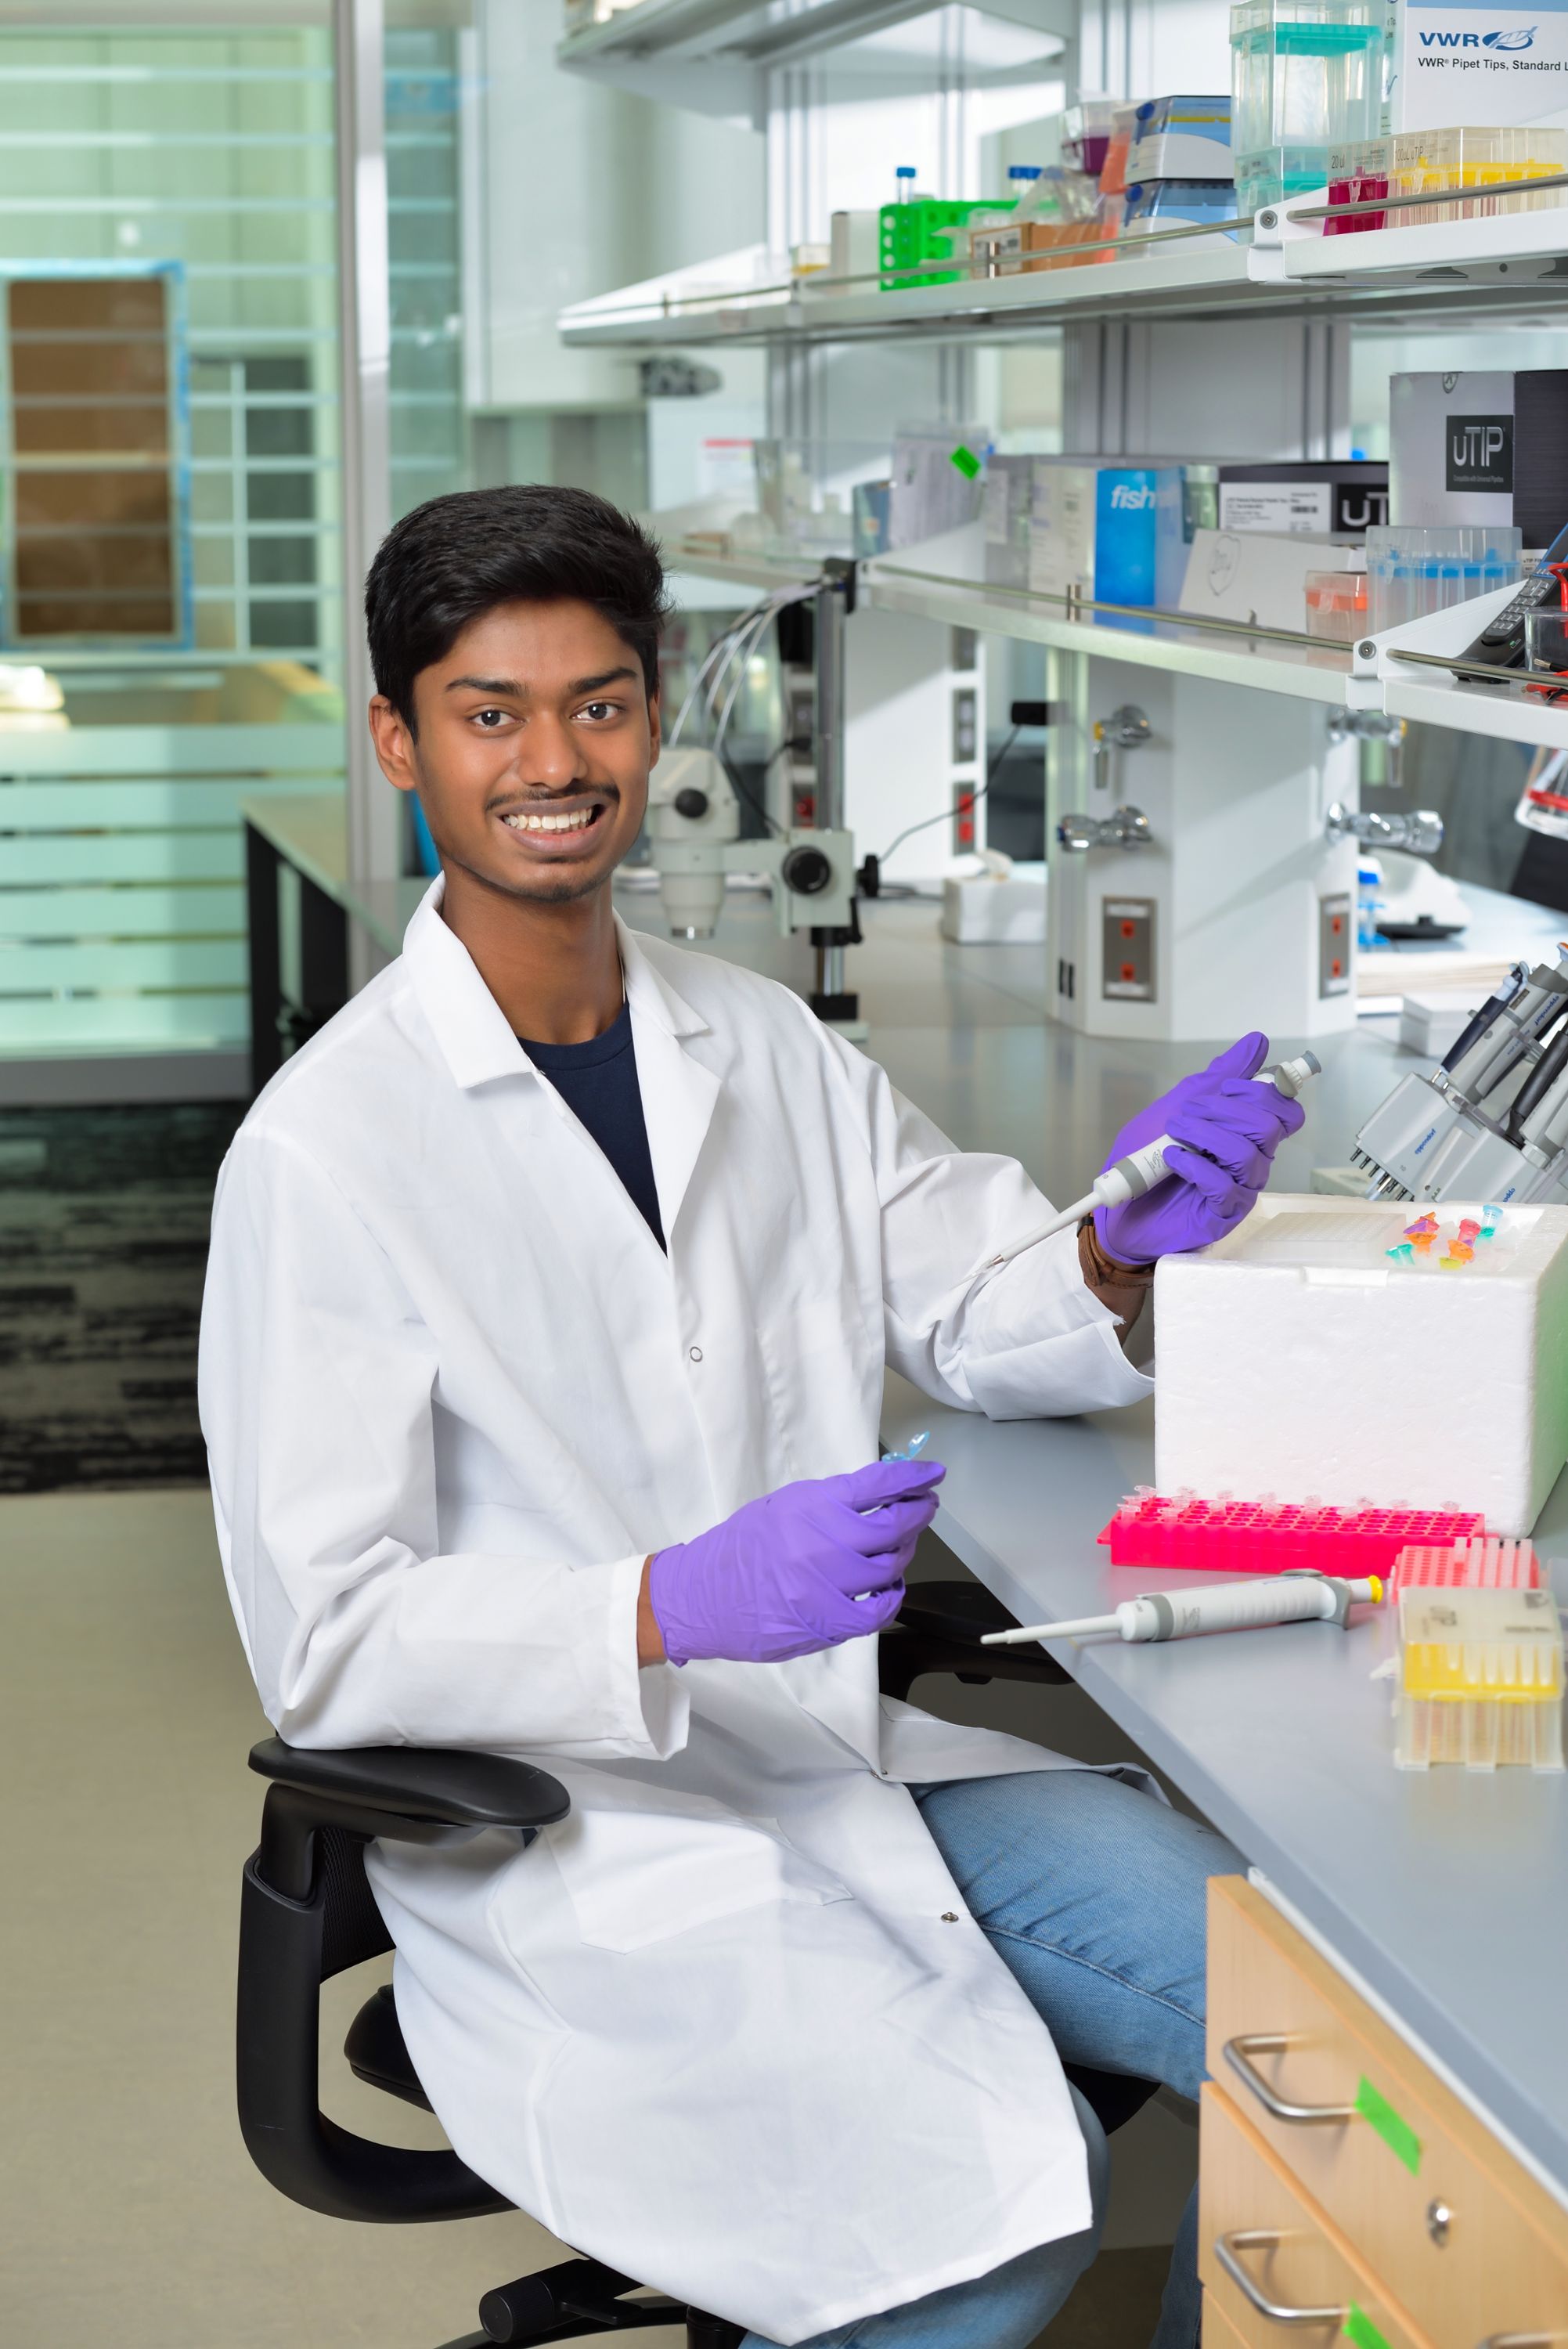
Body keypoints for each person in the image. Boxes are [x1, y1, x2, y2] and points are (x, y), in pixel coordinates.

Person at [199, 485, 1303, 2349]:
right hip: (584, 1841)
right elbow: (329, 1638)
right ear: (401, 739)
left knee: (1318, 2031)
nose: (556, 762)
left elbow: (961, 1297)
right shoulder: (326, 1151)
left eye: (603, 704)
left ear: (654, 717)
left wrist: (1119, 1249)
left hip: (839, 1765)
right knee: (984, 2254)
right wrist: (661, 1606)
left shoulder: (761, 1039)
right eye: (492, 714)